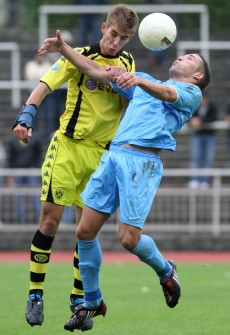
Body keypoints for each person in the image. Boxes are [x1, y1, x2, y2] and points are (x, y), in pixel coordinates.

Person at [38, 31, 212, 331]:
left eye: (191, 58)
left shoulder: (190, 94)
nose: (183, 55)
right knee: (84, 230)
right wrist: (63, 48)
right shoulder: (142, 79)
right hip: (112, 156)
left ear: (196, 74)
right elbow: (93, 70)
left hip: (140, 164)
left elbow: (168, 94)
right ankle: (91, 300)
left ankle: (165, 269)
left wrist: (136, 79)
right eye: (184, 53)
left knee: (128, 239)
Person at [12, 4, 138, 330]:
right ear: (103, 28)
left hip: (101, 157)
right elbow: (45, 83)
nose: (115, 42)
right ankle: (35, 294)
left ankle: (79, 301)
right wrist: (27, 114)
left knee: (87, 232)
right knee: (50, 222)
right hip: (68, 147)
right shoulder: (78, 54)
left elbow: (129, 103)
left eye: (123, 38)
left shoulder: (126, 64)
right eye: (113, 34)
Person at [7, 134, 42, 223]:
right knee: (18, 196)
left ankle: (39, 218)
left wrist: (36, 166)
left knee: (35, 195)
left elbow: (38, 154)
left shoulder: (35, 139)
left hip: (30, 170)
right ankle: (20, 219)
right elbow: (11, 158)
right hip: (18, 171)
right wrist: (11, 173)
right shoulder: (13, 141)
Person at [188, 93, 218, 189]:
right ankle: (194, 179)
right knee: (196, 158)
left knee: (207, 159)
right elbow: (190, 117)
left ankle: (204, 181)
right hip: (198, 135)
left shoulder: (212, 106)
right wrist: (193, 121)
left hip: (209, 136)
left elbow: (214, 118)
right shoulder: (196, 107)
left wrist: (201, 122)